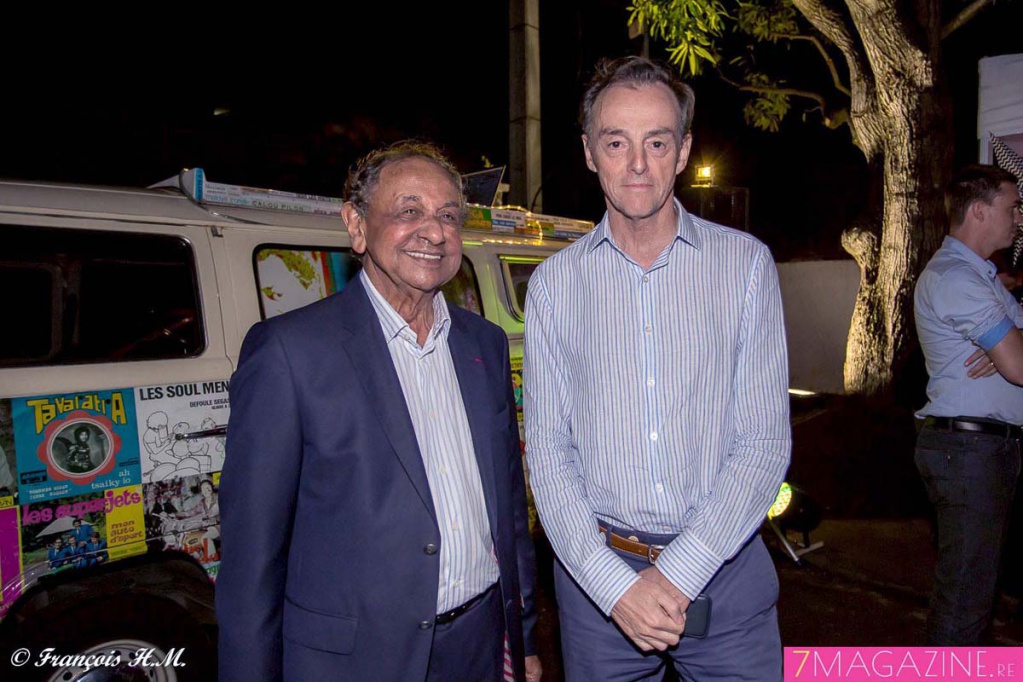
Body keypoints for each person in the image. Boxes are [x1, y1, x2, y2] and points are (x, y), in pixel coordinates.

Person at [217, 140, 539, 682]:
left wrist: (522, 637)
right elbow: (252, 560)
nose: (434, 232)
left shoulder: (482, 345)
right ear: (357, 225)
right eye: (409, 211)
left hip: (480, 646)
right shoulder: (289, 353)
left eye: (448, 216)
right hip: (357, 660)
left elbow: (508, 513)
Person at [524, 56, 790, 681]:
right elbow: (549, 452)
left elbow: (763, 443)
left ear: (684, 150)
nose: (637, 164)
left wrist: (676, 575)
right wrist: (613, 586)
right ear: (590, 152)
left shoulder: (745, 267)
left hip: (726, 575)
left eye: (657, 142)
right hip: (597, 587)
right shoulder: (555, 286)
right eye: (617, 142)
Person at [914, 163, 1023, 645]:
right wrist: (1009, 348)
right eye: (1012, 207)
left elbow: (1014, 355)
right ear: (979, 211)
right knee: (964, 602)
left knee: (975, 593)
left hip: (982, 450)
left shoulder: (984, 277)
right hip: (969, 453)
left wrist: (1008, 345)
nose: (1019, 218)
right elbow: (1019, 365)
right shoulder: (956, 278)